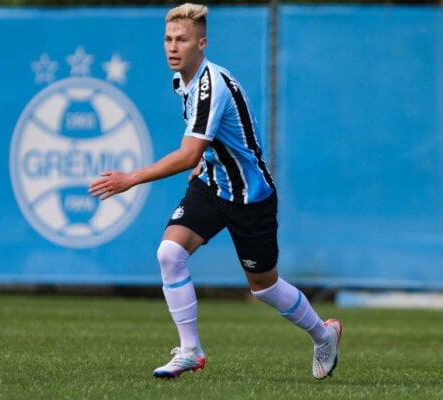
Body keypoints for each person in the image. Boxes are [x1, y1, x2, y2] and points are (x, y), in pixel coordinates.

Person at [89, 3, 342, 380]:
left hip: (249, 196)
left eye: (183, 40)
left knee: (263, 287)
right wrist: (203, 160)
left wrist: (131, 178)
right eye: (168, 39)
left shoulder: (212, 85)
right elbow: (205, 145)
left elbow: (189, 149)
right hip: (211, 183)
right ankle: (190, 350)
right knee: (169, 253)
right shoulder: (184, 81)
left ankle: (324, 336)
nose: (173, 47)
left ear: (202, 43)